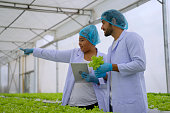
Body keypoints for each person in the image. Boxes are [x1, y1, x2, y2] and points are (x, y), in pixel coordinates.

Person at [20, 25, 107, 111]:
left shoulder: (103, 58)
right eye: (79, 40)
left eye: (82, 40)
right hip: (73, 104)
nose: (79, 43)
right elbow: (55, 54)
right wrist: (35, 51)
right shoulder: (74, 53)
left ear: (91, 40)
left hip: (93, 104)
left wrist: (97, 80)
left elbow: (109, 83)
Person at [95, 9, 148, 113]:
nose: (101, 27)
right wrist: (105, 75)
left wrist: (112, 67)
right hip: (116, 103)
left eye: (103, 23)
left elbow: (140, 64)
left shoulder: (132, 38)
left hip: (132, 104)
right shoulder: (111, 47)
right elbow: (115, 75)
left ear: (113, 22)